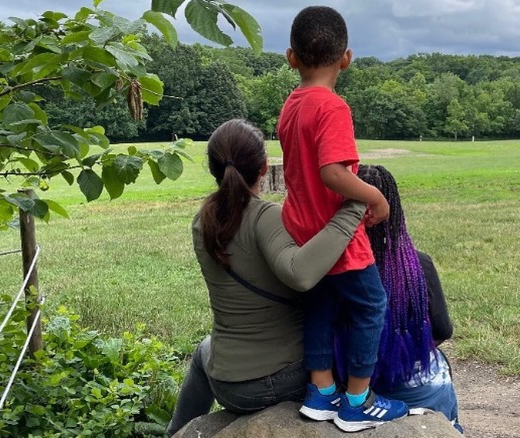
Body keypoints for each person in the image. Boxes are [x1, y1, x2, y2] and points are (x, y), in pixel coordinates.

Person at [166, 119, 367, 436]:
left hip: (223, 379)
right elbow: (300, 275)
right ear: (263, 168)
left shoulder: (202, 220)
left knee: (206, 347)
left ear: (213, 168)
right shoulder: (266, 217)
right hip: (273, 381)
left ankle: (177, 431)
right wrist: (353, 207)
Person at [277, 5, 407, 432]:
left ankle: (320, 392)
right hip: (338, 234)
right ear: (345, 58)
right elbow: (332, 173)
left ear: (291, 57)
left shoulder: (291, 105)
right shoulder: (332, 107)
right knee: (372, 306)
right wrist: (375, 197)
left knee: (321, 305)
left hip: (304, 234)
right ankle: (356, 401)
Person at [346, 164, 465, 434]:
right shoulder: (417, 265)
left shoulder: (335, 266)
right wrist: (407, 352)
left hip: (357, 387)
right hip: (420, 389)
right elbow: (443, 329)